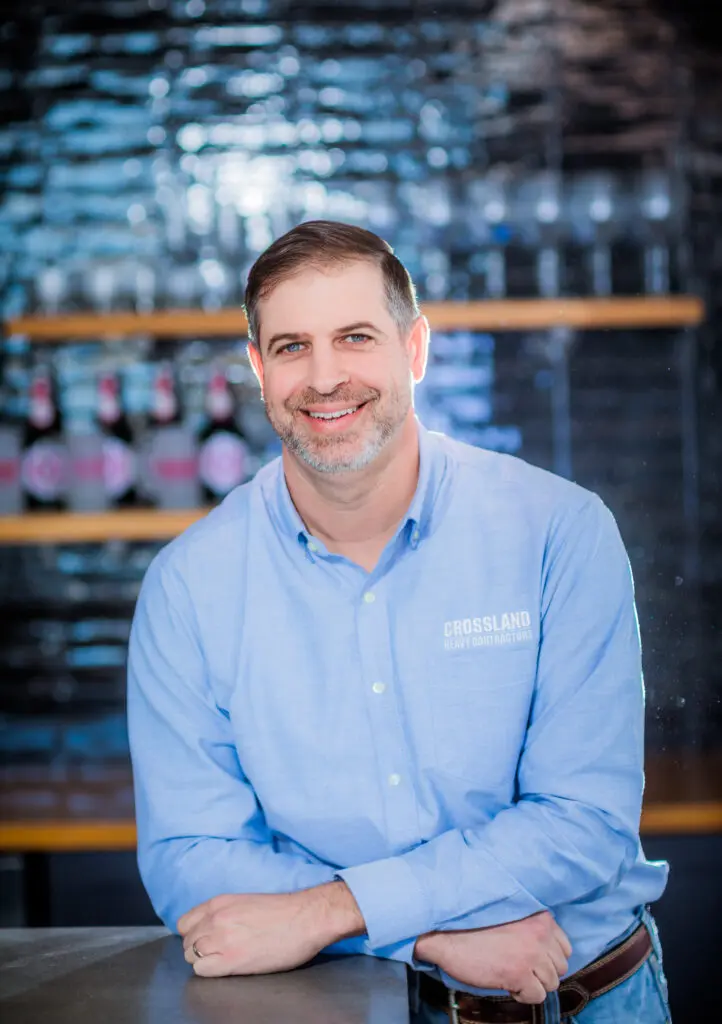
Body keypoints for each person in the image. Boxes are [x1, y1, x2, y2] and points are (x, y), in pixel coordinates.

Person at [127, 220, 672, 1024]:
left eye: (354, 337)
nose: (323, 377)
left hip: (581, 1001)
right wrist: (426, 940)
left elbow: (582, 824)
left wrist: (328, 912)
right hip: (338, 1008)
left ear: (414, 351)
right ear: (257, 368)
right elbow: (191, 860)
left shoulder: (559, 531)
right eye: (290, 347)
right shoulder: (188, 588)